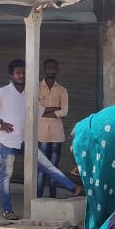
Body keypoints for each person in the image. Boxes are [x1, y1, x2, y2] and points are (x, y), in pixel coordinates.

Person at [0, 59, 79, 220]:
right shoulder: (2, 92)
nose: (22, 75)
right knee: (6, 176)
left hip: (26, 140)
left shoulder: (29, 94)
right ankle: (7, 210)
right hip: (7, 141)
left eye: (24, 72)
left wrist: (57, 109)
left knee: (47, 165)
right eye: (18, 73)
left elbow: (40, 111)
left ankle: (73, 188)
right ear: (11, 75)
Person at [37, 58, 71, 198]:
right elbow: (35, 110)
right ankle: (37, 198)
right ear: (44, 70)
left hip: (57, 133)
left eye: (53, 68)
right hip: (41, 132)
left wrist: (44, 111)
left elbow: (64, 112)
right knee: (41, 168)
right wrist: (53, 110)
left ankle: (52, 198)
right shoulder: (36, 87)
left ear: (57, 70)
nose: (51, 70)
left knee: (54, 168)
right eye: (48, 68)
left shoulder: (62, 90)